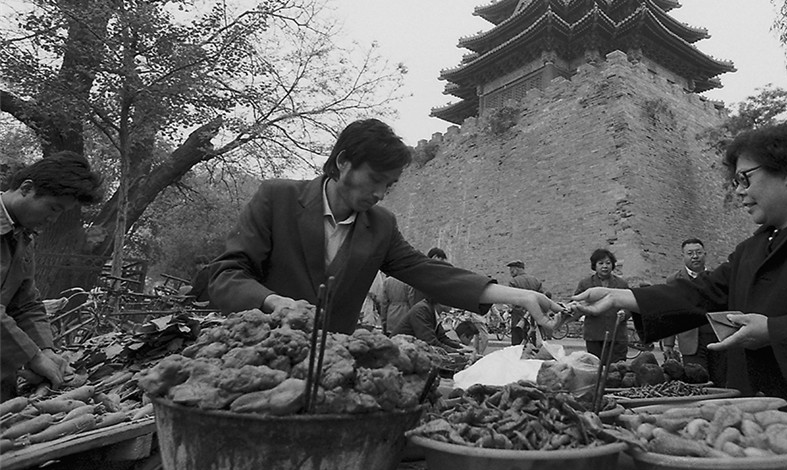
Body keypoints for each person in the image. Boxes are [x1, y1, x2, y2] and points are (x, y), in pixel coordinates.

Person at [572, 122, 787, 470]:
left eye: (746, 179)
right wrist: (622, 297)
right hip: (754, 440)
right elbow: (704, 291)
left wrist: (775, 330)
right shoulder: (753, 249)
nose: (739, 192)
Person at [206, 118, 561, 334]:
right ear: (343, 162)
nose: (379, 194)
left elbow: (430, 273)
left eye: (388, 186)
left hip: (330, 367)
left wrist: (521, 296)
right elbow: (225, 276)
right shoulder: (277, 198)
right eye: (374, 179)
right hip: (261, 352)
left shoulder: (380, 226)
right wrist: (273, 301)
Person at [1, 151, 103, 400]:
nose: (53, 219)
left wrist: (46, 349)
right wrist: (32, 355)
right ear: (27, 188)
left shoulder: (23, 237)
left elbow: (26, 304)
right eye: (53, 208)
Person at [660, 238, 726, 386]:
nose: (695, 256)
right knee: (696, 380)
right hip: (690, 340)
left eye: (698, 253)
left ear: (705, 254)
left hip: (716, 337)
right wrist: (669, 344)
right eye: (690, 253)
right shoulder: (674, 280)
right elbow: (670, 313)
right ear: (683, 256)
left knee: (721, 380)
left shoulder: (716, 278)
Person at [573, 248, 631, 362]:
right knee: (596, 366)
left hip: (617, 333)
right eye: (601, 263)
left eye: (608, 263)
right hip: (595, 333)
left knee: (617, 367)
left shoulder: (621, 284)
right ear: (594, 265)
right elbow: (577, 303)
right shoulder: (586, 284)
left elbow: (629, 304)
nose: (605, 266)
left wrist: (624, 313)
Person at [393, 297, 468, 352]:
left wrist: (460, 346)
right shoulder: (421, 310)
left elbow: (442, 338)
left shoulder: (432, 311)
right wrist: (456, 351)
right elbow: (430, 342)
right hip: (399, 351)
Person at [505, 260, 543, 345]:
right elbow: (541, 299)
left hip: (518, 317)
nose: (510, 272)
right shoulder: (536, 280)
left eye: (511, 269)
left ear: (516, 269)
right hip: (533, 316)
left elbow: (512, 300)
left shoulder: (514, 281)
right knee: (533, 343)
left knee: (517, 346)